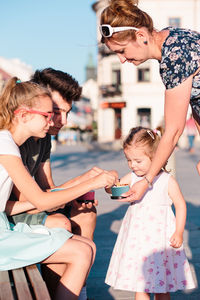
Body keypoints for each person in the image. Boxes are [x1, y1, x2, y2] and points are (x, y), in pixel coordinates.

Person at [0, 77, 116, 300]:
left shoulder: (9, 142)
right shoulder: (6, 144)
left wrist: (84, 184)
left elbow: (15, 204)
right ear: (23, 116)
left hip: (4, 226)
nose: (52, 120)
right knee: (82, 251)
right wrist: (91, 183)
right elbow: (41, 201)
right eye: (47, 115)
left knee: (85, 246)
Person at [99, 0, 200, 201]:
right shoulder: (172, 37)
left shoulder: (175, 56)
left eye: (121, 50)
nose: (121, 59)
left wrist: (146, 181)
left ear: (141, 36)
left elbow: (173, 131)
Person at [105, 127, 196, 300]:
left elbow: (181, 205)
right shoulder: (132, 177)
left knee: (162, 287)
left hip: (160, 240)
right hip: (137, 240)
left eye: (138, 161)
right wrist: (109, 184)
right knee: (141, 285)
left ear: (155, 157)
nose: (133, 165)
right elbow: (114, 190)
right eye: (129, 160)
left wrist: (178, 231)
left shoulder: (166, 180)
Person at [8, 68, 98, 241]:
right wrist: (85, 182)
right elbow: (32, 201)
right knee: (60, 223)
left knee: (86, 214)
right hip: (13, 212)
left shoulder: (44, 137)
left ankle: (80, 263)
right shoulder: (17, 138)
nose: (63, 121)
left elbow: (47, 186)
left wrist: (75, 195)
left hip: (33, 205)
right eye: (56, 112)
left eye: (67, 112)